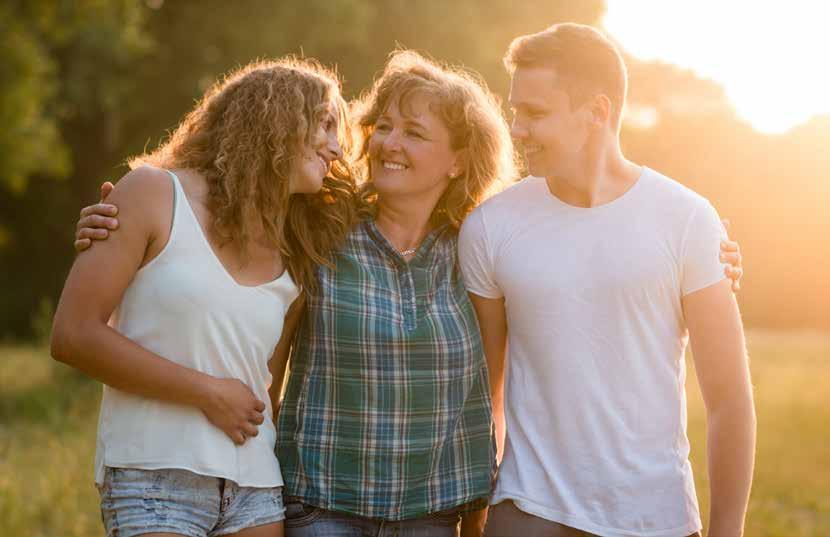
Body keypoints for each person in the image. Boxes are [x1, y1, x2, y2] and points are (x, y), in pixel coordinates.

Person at [72, 50, 744, 537]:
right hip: (318, 504)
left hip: (431, 512)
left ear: (457, 160)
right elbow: (219, 208)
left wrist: (708, 256)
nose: (387, 143)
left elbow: (494, 385)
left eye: (413, 133)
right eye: (382, 127)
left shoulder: (481, 242)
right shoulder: (319, 222)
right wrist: (116, 212)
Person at [458, 24, 755, 537]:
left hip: (654, 517)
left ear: (596, 111)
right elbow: (486, 394)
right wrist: (477, 520)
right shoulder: (491, 226)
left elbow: (729, 398)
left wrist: (727, 531)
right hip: (528, 511)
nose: (518, 130)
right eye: (515, 112)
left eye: (535, 113)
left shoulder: (686, 220)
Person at [51, 57, 355, 537]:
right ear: (277, 120)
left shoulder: (297, 252)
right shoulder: (152, 193)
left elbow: (263, 393)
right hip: (152, 476)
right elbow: (73, 336)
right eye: (326, 125)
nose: (338, 149)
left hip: (255, 489)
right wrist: (207, 393)